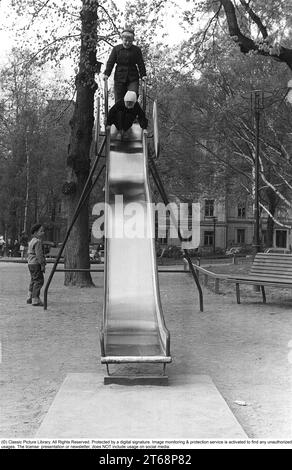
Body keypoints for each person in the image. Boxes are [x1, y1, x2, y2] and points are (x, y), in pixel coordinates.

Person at [103, 27, 147, 102]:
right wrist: (107, 73)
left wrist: (143, 75)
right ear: (122, 39)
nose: (127, 43)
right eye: (125, 41)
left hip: (133, 77)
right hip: (119, 77)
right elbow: (111, 62)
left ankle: (132, 113)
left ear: (132, 41)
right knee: (119, 100)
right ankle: (119, 113)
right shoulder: (116, 49)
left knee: (132, 96)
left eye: (130, 41)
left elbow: (140, 63)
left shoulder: (136, 50)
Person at [27, 224, 46, 307]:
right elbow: (39, 255)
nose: (43, 233)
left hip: (30, 263)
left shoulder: (31, 241)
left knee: (33, 280)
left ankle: (30, 296)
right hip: (36, 263)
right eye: (41, 231)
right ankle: (35, 299)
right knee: (39, 281)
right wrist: (42, 264)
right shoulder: (37, 242)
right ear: (35, 233)